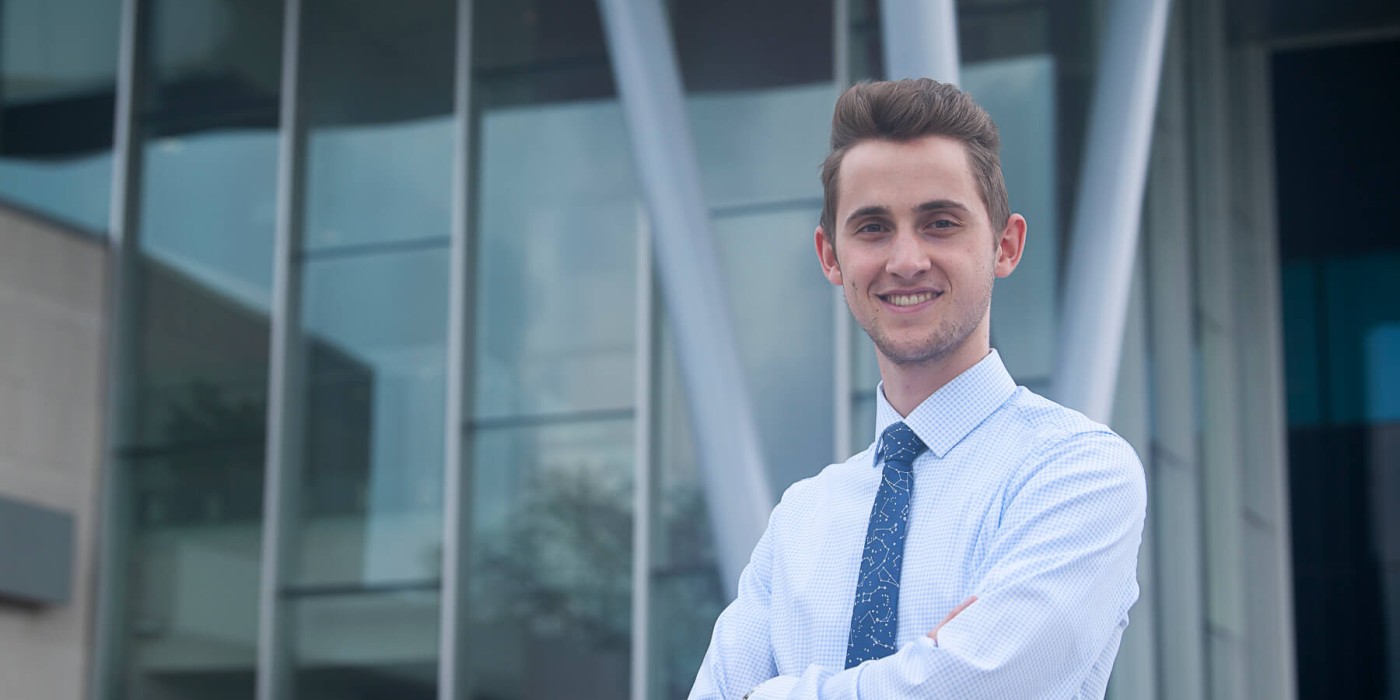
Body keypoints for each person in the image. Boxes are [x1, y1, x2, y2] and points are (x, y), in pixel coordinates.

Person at [688, 78, 1147, 699]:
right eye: (873, 228)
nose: (906, 260)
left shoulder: (1079, 473)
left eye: (939, 223)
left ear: (1004, 245)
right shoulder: (799, 521)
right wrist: (928, 668)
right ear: (831, 257)